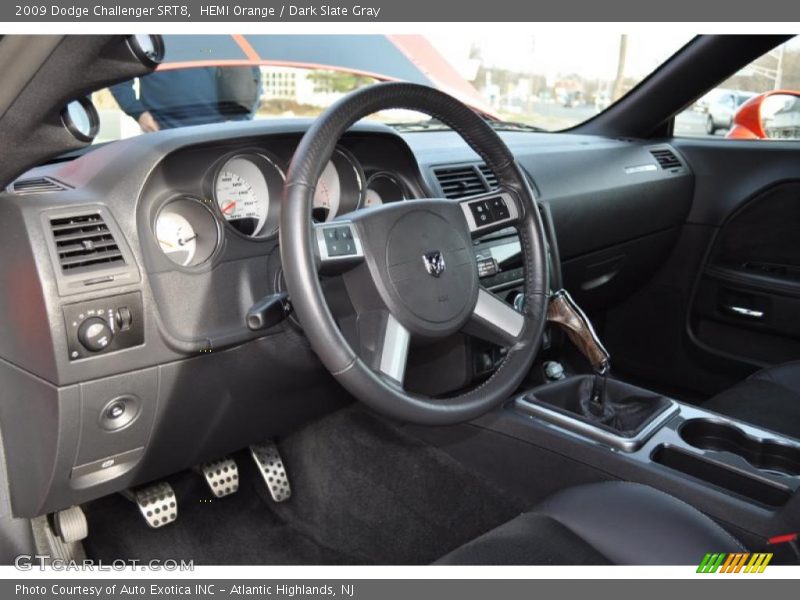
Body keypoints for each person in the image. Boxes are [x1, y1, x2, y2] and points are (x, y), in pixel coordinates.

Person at [110, 65, 262, 132]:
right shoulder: (144, 36)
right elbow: (117, 75)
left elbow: (251, 76)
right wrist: (139, 113)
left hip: (217, 134)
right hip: (164, 135)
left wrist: (240, 121)